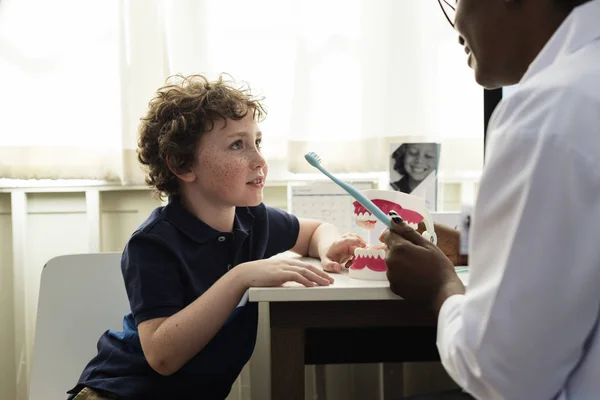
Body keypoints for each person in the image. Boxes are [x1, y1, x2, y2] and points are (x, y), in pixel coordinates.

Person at [67, 74, 365, 400]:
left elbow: (314, 231)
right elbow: (161, 356)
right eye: (238, 145)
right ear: (182, 165)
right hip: (115, 392)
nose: (260, 160)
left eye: (257, 142)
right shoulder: (152, 244)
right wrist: (241, 276)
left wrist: (330, 246)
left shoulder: (253, 220)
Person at [381, 0, 600, 399]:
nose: (456, 21)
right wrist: (477, 247)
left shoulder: (549, 111)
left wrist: (440, 288)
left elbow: (502, 377)